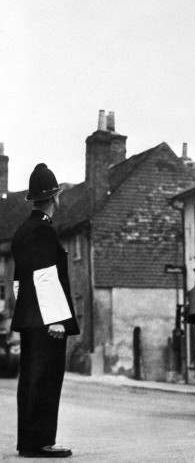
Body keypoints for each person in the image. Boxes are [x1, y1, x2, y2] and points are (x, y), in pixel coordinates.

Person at [11, 163, 79, 458]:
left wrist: (25, 311)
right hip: (46, 320)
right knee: (46, 379)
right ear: (56, 198)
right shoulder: (43, 231)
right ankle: (40, 443)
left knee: (29, 379)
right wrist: (56, 320)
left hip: (29, 318)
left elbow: (17, 282)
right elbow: (45, 276)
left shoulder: (22, 231)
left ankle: (28, 441)